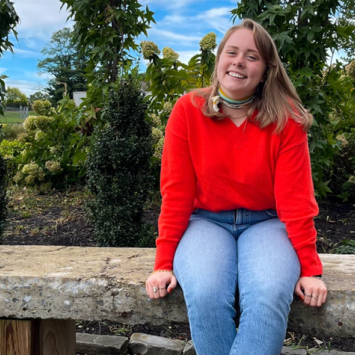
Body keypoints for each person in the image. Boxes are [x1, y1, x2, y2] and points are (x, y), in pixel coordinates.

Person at [145, 18, 327, 355]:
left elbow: (296, 198)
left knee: (270, 292)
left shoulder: (285, 118)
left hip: (267, 221)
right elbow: (177, 192)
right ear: (219, 60)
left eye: (251, 56)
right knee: (204, 292)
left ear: (266, 69)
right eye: (232, 52)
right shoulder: (188, 110)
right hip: (207, 221)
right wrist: (163, 263)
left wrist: (310, 269)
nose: (239, 61)